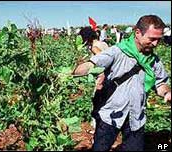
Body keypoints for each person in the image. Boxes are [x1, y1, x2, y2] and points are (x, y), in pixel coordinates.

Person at [72, 15, 171, 151]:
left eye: (158, 40)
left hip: (136, 116)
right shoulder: (117, 52)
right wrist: (84, 70)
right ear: (137, 33)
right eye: (152, 39)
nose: (155, 44)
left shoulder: (155, 61)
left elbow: (160, 84)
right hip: (110, 115)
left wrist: (166, 92)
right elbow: (90, 64)